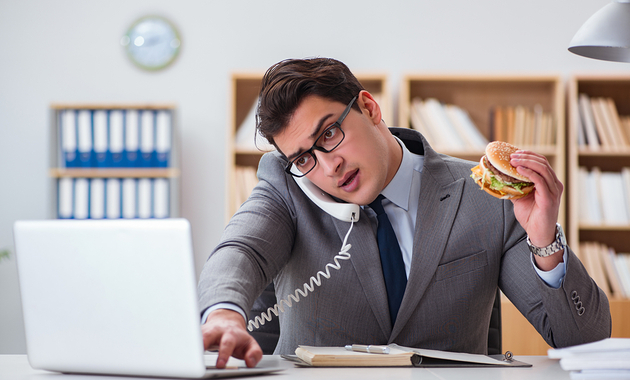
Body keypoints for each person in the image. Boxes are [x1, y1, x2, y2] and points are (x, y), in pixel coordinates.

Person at [198, 57, 611, 368]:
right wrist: (224, 314)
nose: (327, 167)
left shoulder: (483, 195)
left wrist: (545, 242)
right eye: (303, 157)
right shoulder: (289, 186)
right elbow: (243, 248)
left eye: (329, 134)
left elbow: (584, 340)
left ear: (370, 108)